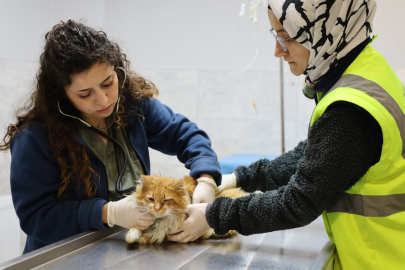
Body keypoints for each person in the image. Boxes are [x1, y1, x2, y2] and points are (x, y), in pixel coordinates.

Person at [168, 0, 405, 269]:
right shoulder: (368, 71)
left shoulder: (349, 111)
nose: (277, 51)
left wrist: (214, 216)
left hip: (379, 259)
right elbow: (315, 154)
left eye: (286, 37)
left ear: (322, 29)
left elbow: (299, 203)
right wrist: (237, 178)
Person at [0, 19, 221, 254]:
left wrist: (206, 177)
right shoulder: (34, 138)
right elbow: (38, 218)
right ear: (61, 95)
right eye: (85, 94)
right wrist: (108, 213)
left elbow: (187, 135)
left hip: (123, 252)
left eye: (108, 83)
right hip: (65, 257)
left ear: (118, 71)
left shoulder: (133, 106)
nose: (104, 100)